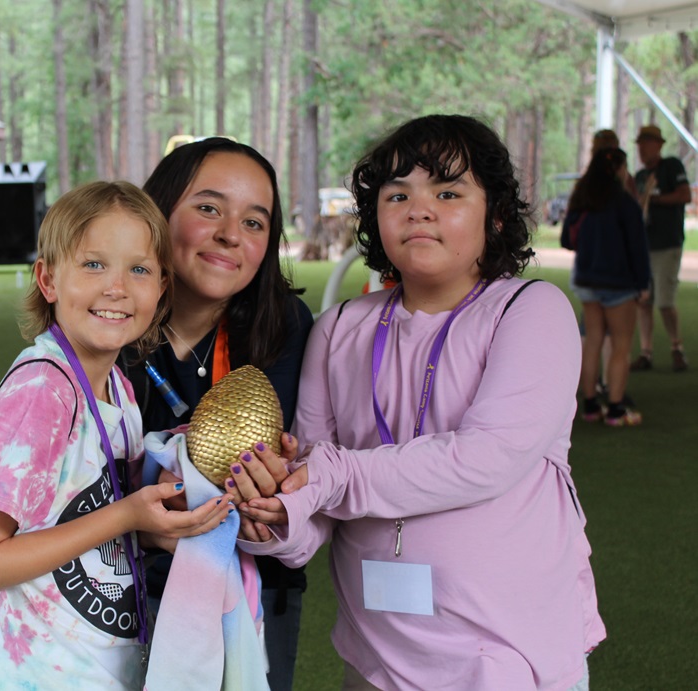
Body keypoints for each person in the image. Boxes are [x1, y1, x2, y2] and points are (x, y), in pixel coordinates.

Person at [238, 115, 606, 690]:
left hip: (507, 651)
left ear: (498, 215)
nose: (420, 208)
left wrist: (327, 472)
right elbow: (316, 508)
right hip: (376, 654)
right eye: (398, 194)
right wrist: (273, 517)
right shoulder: (338, 329)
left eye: (449, 192)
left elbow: (487, 457)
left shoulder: (530, 311)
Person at [0, 181, 234, 689]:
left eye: (139, 269)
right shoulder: (41, 393)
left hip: (99, 668)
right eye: (94, 264)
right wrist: (127, 515)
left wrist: (155, 526)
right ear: (48, 279)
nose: (116, 287)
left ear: (162, 287)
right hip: (32, 676)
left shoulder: (119, 388)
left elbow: (79, 521)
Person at [119, 137, 314, 691]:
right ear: (157, 213)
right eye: (209, 208)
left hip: (250, 593)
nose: (232, 234)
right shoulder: (111, 314)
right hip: (112, 583)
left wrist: (275, 490)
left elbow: (267, 485)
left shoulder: (285, 324)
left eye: (255, 223)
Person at [562, 147, 650, 426]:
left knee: (592, 343)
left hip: (587, 281)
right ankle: (614, 409)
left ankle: (589, 406)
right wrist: (643, 283)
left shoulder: (582, 199)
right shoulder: (625, 203)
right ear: (619, 170)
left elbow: (566, 239)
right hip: (619, 284)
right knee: (621, 347)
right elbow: (638, 248)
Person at [632, 124, 690, 372]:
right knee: (644, 301)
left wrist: (653, 200)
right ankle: (646, 352)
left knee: (665, 301)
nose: (642, 148)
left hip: (667, 243)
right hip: (645, 245)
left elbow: (685, 195)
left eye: (646, 142)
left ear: (658, 144)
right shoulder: (640, 177)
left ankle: (677, 348)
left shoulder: (672, 166)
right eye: (640, 144)